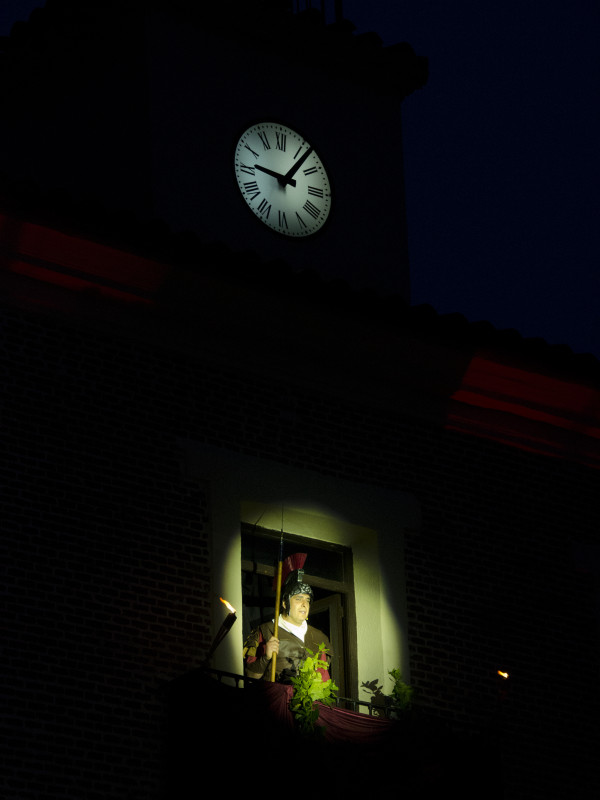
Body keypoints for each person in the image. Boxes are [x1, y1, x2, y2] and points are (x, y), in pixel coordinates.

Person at [243, 559, 332, 684]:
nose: (304, 604)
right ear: (285, 603)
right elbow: (250, 677)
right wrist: (266, 657)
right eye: (298, 599)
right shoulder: (266, 630)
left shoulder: (319, 637)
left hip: (307, 702)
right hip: (276, 700)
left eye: (307, 600)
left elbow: (324, 680)